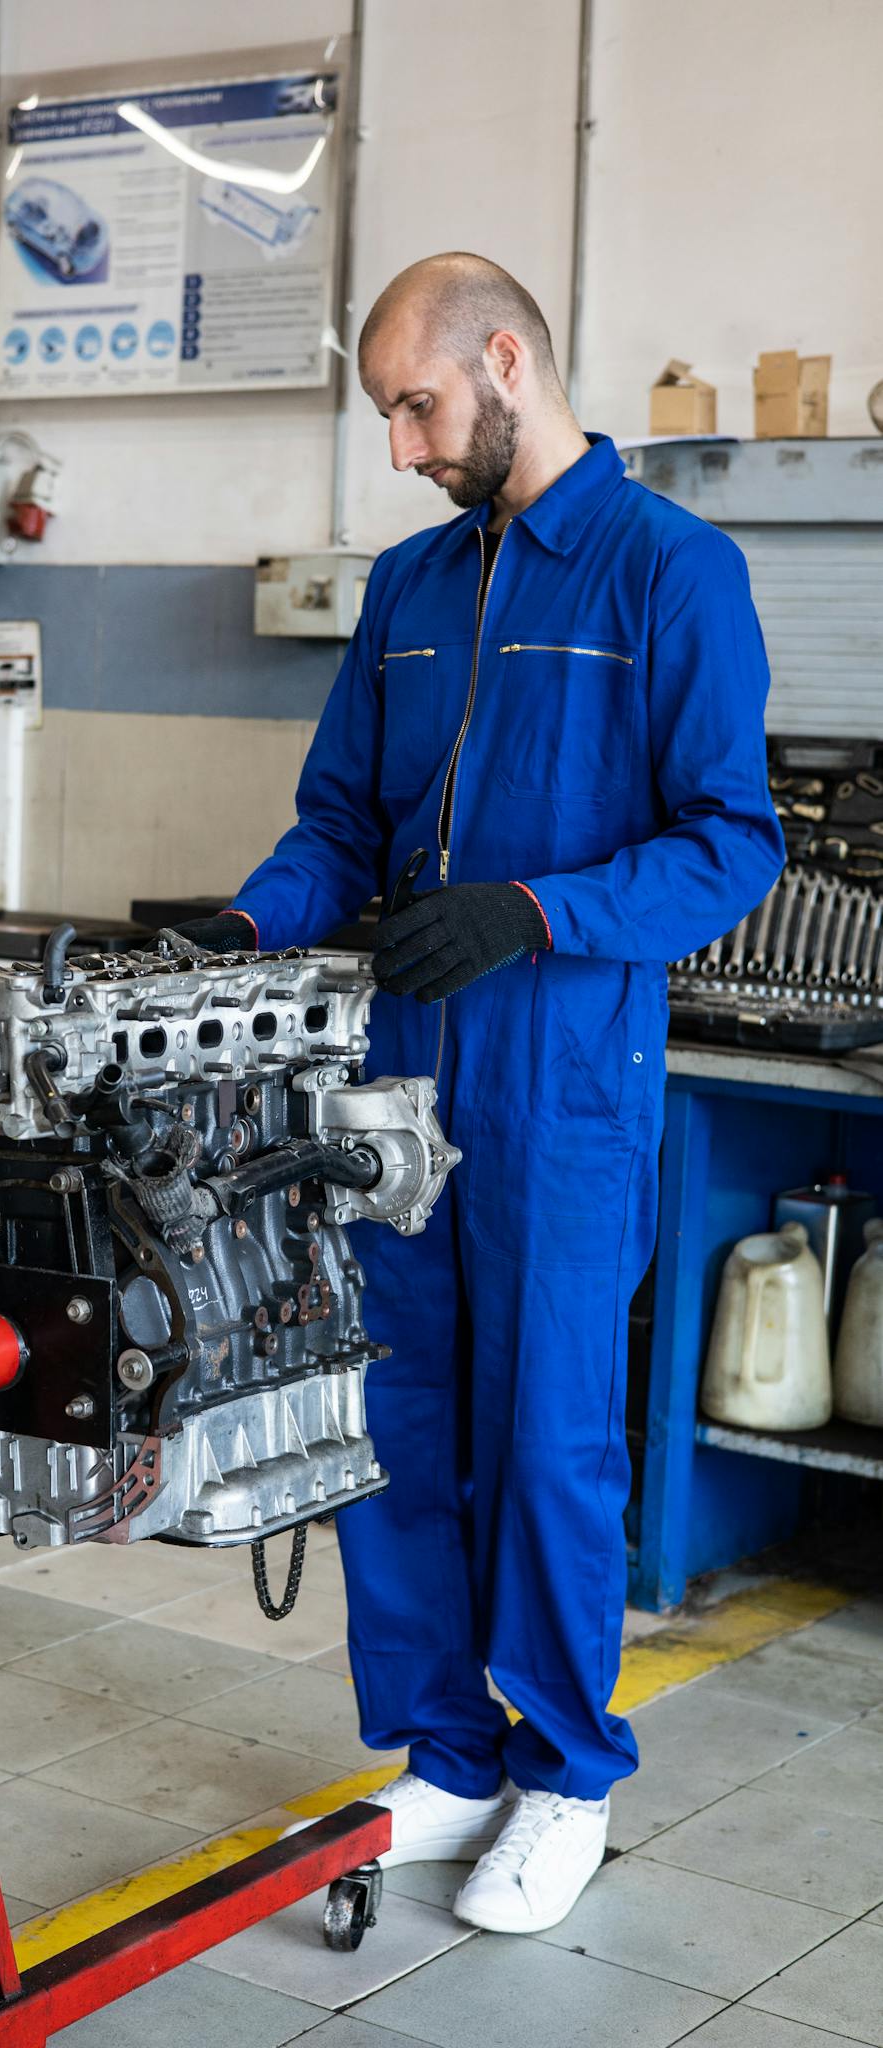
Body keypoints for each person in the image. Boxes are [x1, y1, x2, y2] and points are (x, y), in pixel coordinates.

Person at [172, 253, 783, 1934]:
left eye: (416, 406)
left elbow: (731, 842)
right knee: (401, 1428)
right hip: (399, 1087)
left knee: (548, 1442)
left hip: (561, 1086)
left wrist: (533, 910)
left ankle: (567, 1778)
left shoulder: (672, 574)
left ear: (505, 362)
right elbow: (340, 826)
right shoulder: (413, 586)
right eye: (388, 416)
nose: (401, 448)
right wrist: (241, 922)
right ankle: (447, 1754)